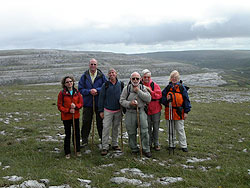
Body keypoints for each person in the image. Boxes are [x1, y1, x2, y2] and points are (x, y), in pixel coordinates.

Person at [120, 72, 152, 158]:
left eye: (137, 78)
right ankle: (134, 148)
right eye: (133, 78)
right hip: (130, 112)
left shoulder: (143, 88)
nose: (135, 80)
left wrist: (138, 91)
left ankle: (146, 149)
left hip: (141, 111)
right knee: (131, 132)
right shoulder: (126, 89)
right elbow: (122, 101)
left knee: (144, 131)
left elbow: (148, 99)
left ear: (140, 79)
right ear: (130, 79)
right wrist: (130, 103)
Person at [78, 58, 107, 147]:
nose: (93, 66)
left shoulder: (101, 75)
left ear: (97, 65)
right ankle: (84, 140)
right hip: (87, 103)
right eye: (91, 64)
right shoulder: (84, 76)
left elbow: (105, 86)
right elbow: (80, 89)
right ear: (89, 65)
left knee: (100, 122)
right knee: (86, 122)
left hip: (99, 103)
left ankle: (103, 140)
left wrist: (97, 90)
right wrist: (89, 91)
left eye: (94, 64)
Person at [161, 70, 191, 152]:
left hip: (179, 111)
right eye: (172, 77)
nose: (174, 79)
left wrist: (186, 112)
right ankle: (171, 144)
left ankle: (183, 145)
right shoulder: (167, 88)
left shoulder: (182, 88)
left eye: (176, 77)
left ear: (178, 78)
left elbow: (186, 100)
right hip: (169, 111)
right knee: (170, 129)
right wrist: (166, 100)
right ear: (170, 78)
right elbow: (162, 99)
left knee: (180, 129)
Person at [98, 68, 123, 155]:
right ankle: (105, 146)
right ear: (108, 75)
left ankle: (115, 144)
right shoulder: (105, 85)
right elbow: (101, 98)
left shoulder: (121, 84)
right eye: (110, 73)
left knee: (116, 128)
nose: (111, 74)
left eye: (113, 72)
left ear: (116, 74)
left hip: (118, 110)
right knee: (106, 128)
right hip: (107, 110)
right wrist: (101, 111)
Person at [57, 76, 83, 159]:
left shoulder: (77, 92)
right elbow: (59, 106)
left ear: (73, 82)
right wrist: (68, 110)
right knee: (68, 134)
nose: (69, 83)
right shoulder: (62, 93)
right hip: (66, 117)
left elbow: (81, 103)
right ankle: (67, 152)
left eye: (70, 81)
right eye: (67, 82)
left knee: (76, 133)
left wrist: (75, 106)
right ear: (64, 84)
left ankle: (77, 150)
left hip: (75, 116)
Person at [141, 69, 162, 151]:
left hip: (156, 109)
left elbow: (159, 96)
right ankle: (148, 143)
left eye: (148, 77)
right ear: (142, 77)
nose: (146, 78)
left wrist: (151, 91)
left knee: (156, 127)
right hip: (145, 110)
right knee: (148, 127)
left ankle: (156, 143)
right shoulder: (140, 85)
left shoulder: (154, 85)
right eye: (145, 77)